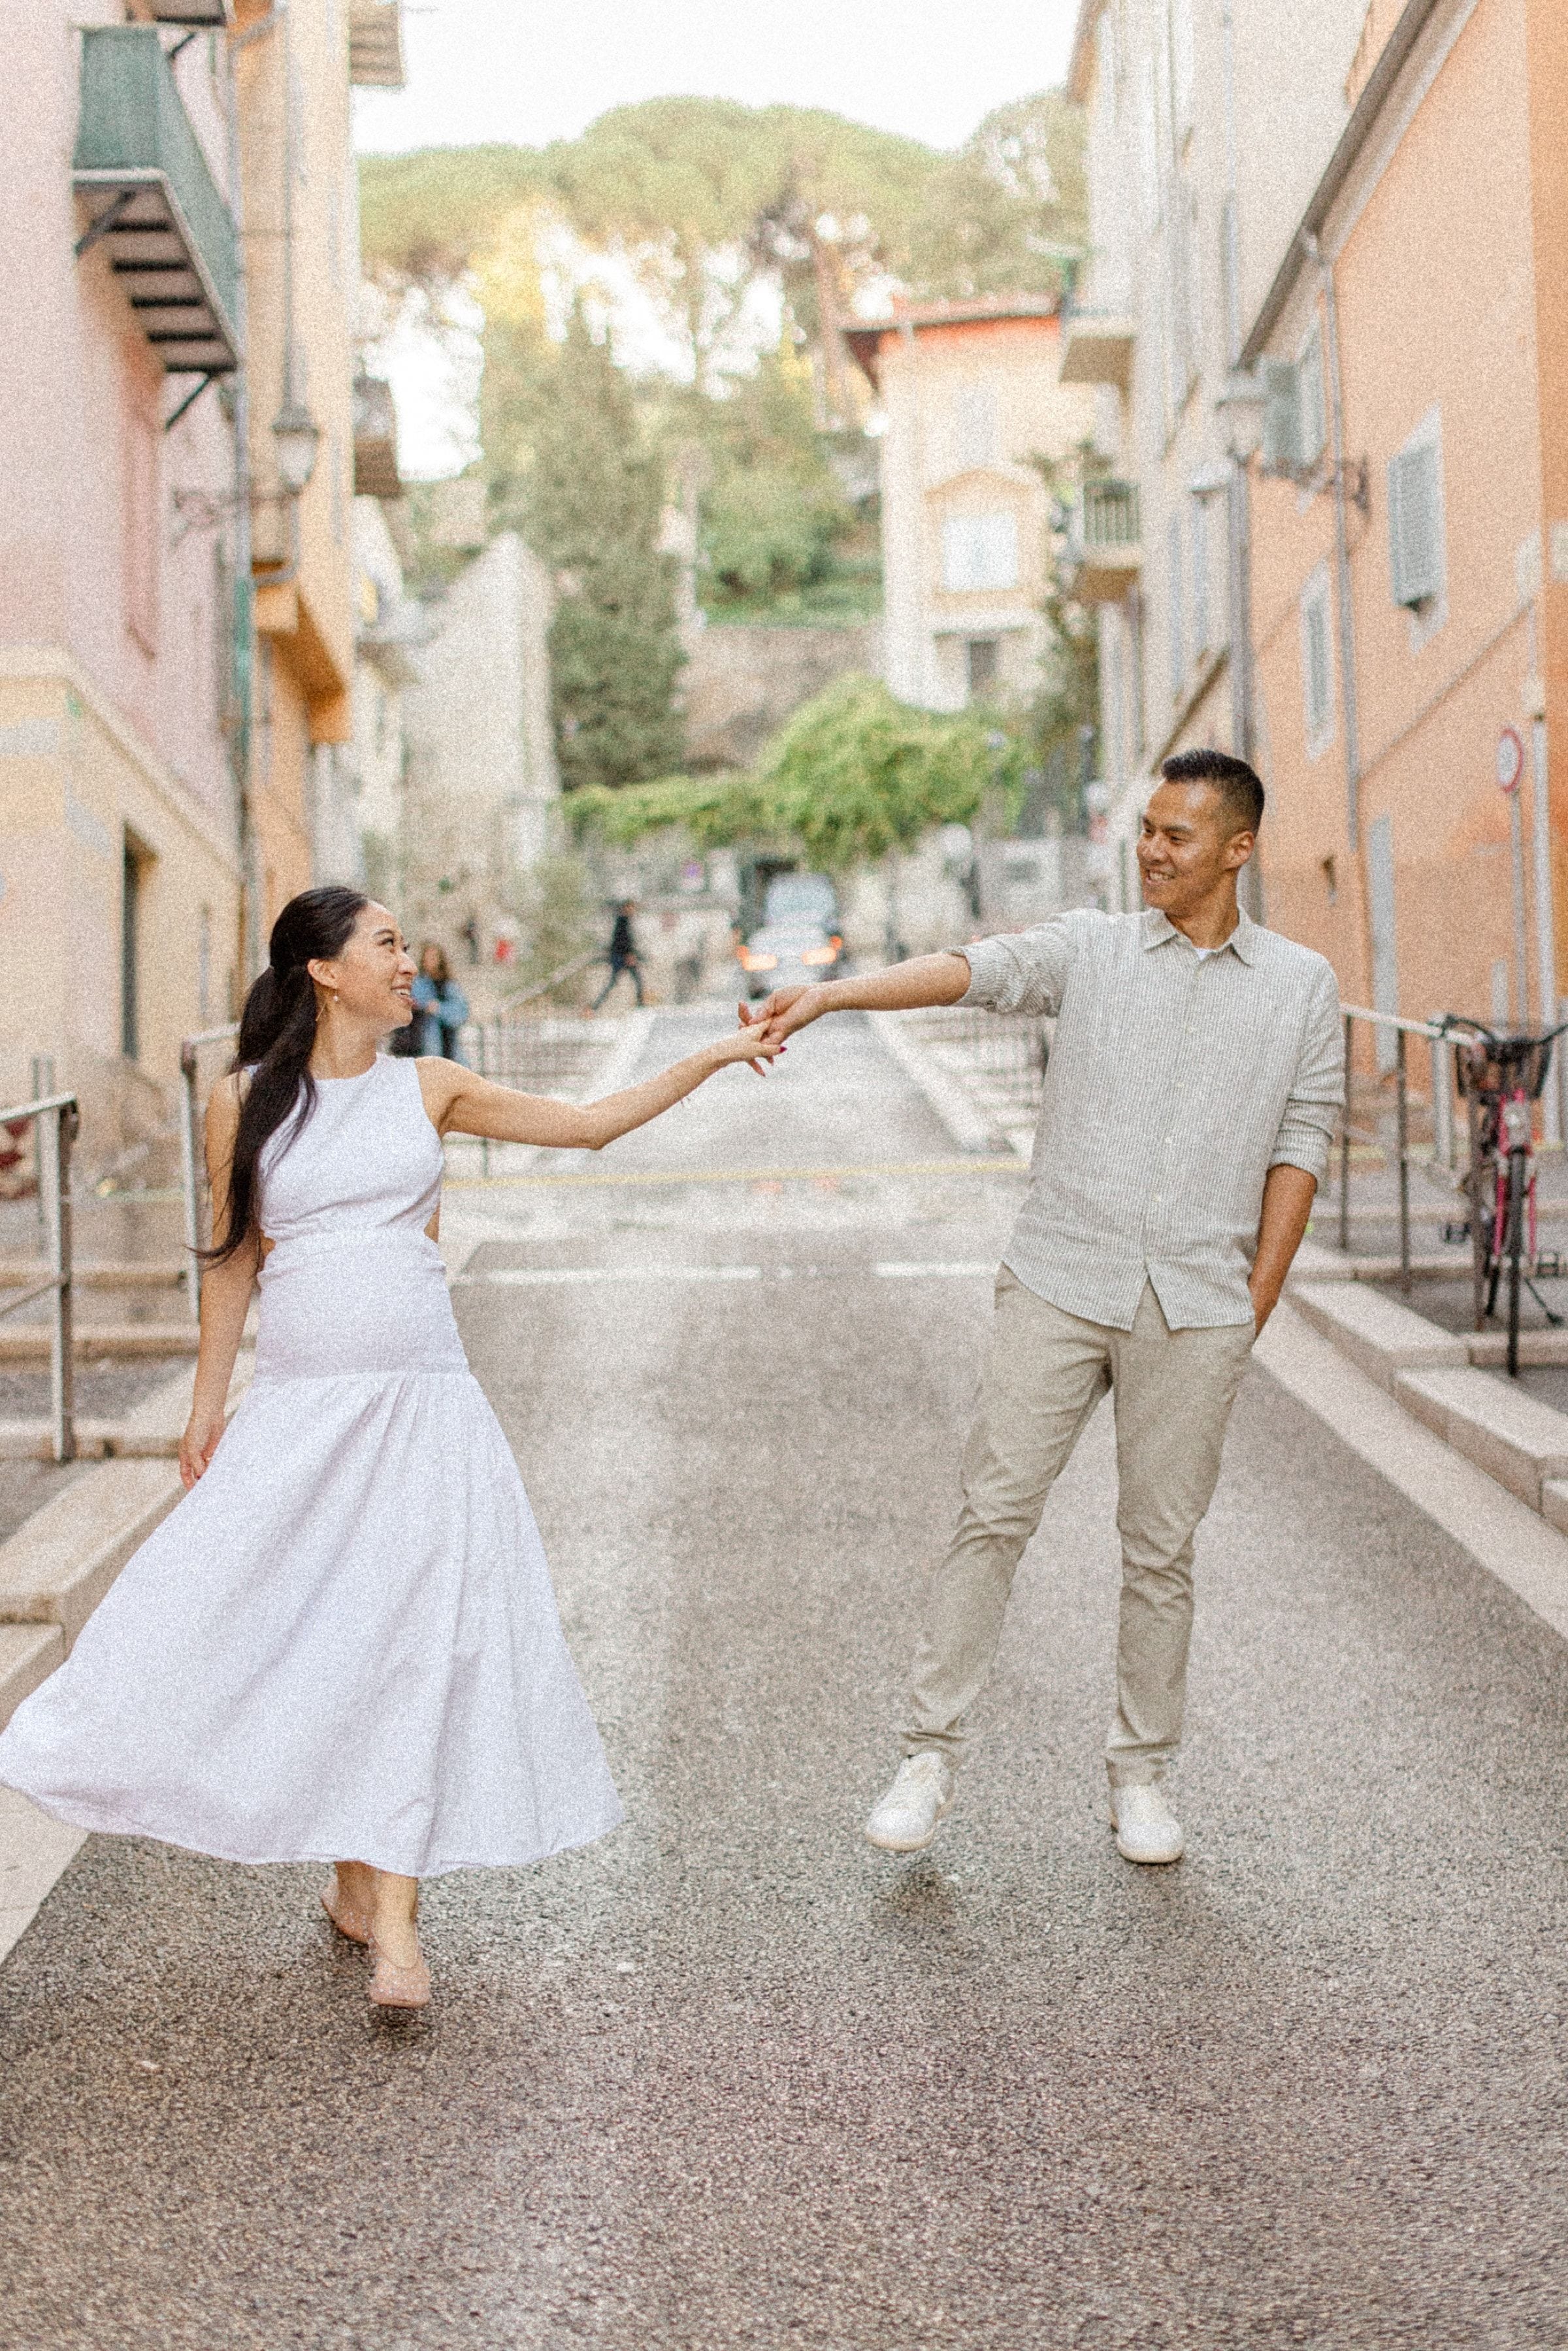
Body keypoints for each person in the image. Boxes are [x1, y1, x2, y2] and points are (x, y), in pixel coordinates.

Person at [0, 886, 779, 2009]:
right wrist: (208, 1400)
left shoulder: (433, 1086)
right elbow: (231, 1260)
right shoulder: (241, 1102)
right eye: (387, 946)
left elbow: (593, 1122)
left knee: (413, 1636)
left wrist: (713, 1052)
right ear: (323, 969)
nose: (408, 963)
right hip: (304, 1417)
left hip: (424, 1414)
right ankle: (356, 1882)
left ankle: (398, 1929)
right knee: (296, 1632)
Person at [743, 749, 1344, 1866]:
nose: (1152, 849)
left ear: (1238, 850)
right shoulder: (1097, 948)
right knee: (993, 1513)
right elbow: (972, 967)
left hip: (1199, 1305)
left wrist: (1251, 1304)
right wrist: (831, 993)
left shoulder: (1300, 984)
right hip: (1062, 1279)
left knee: (1160, 1549)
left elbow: (1301, 1142)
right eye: (1148, 828)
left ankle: (1144, 1774)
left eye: (1177, 834)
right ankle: (927, 1755)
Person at [411, 941, 469, 1061]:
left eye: (433, 957)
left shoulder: (449, 986)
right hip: (423, 1043)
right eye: (427, 958)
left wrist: (439, 1009)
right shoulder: (418, 983)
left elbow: (461, 1013)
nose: (429, 961)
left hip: (448, 1046)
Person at [591, 900, 645, 1011]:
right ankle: (595, 1007)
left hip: (622, 956)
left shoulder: (624, 920)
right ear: (625, 908)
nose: (633, 911)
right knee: (621, 982)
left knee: (634, 981)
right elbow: (622, 941)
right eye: (631, 908)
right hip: (621, 957)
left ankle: (641, 1004)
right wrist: (629, 955)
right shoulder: (622, 921)